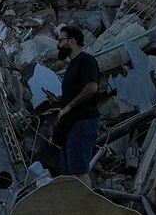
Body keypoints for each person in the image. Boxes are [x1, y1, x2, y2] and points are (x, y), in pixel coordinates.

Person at [41, 25, 112, 179]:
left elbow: (92, 87)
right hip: (72, 123)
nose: (58, 45)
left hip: (83, 121)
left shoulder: (86, 60)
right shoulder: (73, 65)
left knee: (79, 172)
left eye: (61, 40)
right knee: (68, 174)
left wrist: (68, 107)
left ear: (72, 41)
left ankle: (85, 203)